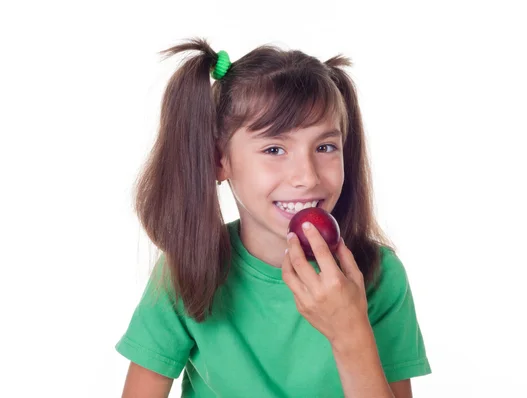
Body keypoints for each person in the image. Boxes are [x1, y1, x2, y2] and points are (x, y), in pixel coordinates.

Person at [116, 37, 432, 398]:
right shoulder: (184, 272)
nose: (308, 177)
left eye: (325, 147)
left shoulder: (379, 275)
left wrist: (350, 332)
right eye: (275, 149)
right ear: (220, 160)